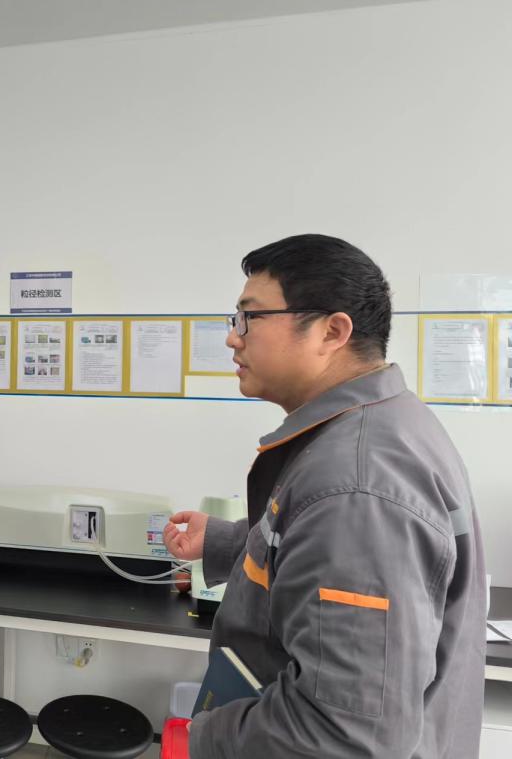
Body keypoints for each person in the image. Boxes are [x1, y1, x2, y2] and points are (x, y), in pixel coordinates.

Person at [165, 235, 486, 758]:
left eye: (249, 318)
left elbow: (341, 735)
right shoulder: (381, 426)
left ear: (332, 331)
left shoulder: (358, 482)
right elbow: (316, 547)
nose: (232, 338)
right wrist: (224, 542)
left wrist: (202, 738)